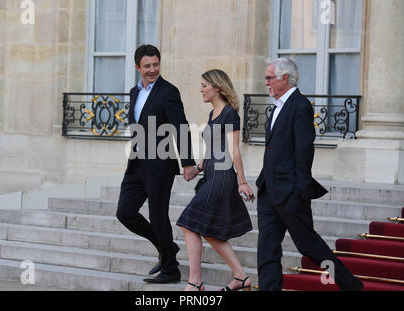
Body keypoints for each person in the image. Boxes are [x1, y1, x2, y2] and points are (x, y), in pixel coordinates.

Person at [255, 58, 364, 291]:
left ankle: (350, 284)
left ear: (284, 78)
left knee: (308, 245)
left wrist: (300, 191)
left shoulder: (300, 105)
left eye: (269, 78)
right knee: (267, 249)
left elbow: (304, 151)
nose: (266, 83)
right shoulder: (277, 106)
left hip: (290, 192)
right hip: (269, 191)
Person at [116, 45, 197, 284]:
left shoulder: (168, 91)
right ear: (137, 67)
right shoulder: (134, 92)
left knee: (157, 215)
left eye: (156, 65)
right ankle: (168, 248)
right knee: (125, 212)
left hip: (160, 165)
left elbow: (180, 127)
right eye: (147, 66)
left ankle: (171, 270)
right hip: (136, 164)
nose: (152, 70)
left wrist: (188, 162)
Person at [176, 69, 254, 291]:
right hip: (210, 174)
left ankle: (195, 282)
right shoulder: (213, 114)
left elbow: (234, 150)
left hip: (222, 177)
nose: (200, 90)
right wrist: (198, 168)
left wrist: (242, 181)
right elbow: (212, 147)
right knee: (205, 229)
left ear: (217, 88)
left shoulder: (230, 114)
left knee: (189, 223)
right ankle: (240, 277)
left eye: (204, 86)